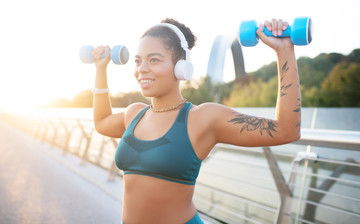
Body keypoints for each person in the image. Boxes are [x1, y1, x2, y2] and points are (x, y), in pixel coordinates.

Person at [91, 18, 301, 224]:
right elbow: (101, 122)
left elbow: (286, 130)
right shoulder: (134, 114)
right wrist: (100, 69)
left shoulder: (202, 118)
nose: (141, 69)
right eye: (138, 61)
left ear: (181, 66)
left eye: (154, 60)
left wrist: (284, 51)